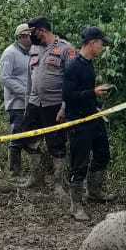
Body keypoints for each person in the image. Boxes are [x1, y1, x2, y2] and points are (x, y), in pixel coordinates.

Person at [19, 17, 77, 192]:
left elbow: (72, 81)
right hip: (35, 103)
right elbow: (31, 77)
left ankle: (59, 183)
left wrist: (65, 107)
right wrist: (27, 101)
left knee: (56, 144)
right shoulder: (35, 49)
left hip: (55, 104)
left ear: (42, 31)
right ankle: (37, 176)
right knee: (24, 138)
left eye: (32, 32)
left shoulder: (66, 49)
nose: (30, 37)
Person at [63, 26, 115, 221]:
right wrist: (93, 93)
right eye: (101, 44)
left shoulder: (89, 64)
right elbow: (68, 96)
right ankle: (75, 205)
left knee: (103, 154)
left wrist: (96, 102)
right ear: (92, 43)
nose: (102, 47)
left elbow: (83, 92)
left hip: (93, 116)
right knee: (79, 163)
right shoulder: (73, 66)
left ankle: (94, 191)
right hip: (78, 121)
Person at [0, 23, 33, 176]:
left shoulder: (32, 52)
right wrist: (24, 92)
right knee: (17, 136)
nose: (30, 39)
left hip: (32, 101)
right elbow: (4, 78)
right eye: (27, 36)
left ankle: (35, 171)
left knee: (32, 135)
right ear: (20, 37)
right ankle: (14, 172)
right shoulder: (10, 53)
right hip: (17, 102)